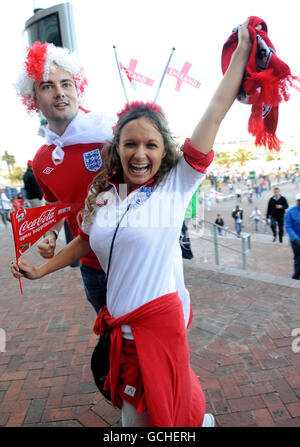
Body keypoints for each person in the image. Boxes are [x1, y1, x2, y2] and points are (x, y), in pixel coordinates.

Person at [12, 20, 253, 427]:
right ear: (117, 148)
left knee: (161, 414)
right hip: (120, 330)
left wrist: (242, 56)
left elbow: (213, 114)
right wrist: (41, 269)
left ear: (165, 152)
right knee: (145, 413)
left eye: (151, 144)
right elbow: (84, 240)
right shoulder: (104, 198)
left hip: (157, 326)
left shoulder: (174, 189)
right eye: (130, 144)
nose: (140, 153)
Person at [15, 41, 114, 314]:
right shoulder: (42, 159)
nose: (60, 92)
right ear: (33, 98)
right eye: (47, 86)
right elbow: (58, 203)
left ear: (77, 88)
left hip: (131, 261)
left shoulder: (111, 135)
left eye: (66, 84)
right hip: (92, 268)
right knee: (109, 340)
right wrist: (51, 234)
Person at [285, 193, 300, 280]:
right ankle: (295, 277)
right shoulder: (290, 212)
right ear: (297, 201)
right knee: (298, 259)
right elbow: (288, 227)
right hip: (296, 241)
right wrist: (296, 239)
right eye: (299, 201)